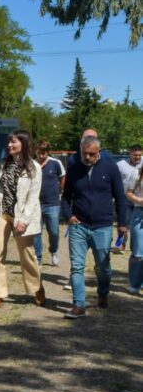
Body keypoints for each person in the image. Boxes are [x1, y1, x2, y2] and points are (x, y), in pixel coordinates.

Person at [62, 135, 128, 318]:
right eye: (85, 154)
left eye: (92, 154)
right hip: (79, 226)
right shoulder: (74, 170)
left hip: (103, 226)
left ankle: (103, 293)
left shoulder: (110, 168)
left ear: (99, 152)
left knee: (103, 267)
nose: (88, 158)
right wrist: (68, 215)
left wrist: (122, 223)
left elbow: (120, 198)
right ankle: (79, 305)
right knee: (76, 266)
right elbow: (66, 198)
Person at [0, 130, 44, 311]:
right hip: (2, 213)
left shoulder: (34, 168)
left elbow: (33, 197)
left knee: (27, 255)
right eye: (9, 142)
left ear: (24, 144)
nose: (10, 145)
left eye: (14, 142)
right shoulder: (4, 164)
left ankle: (37, 288)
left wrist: (24, 220)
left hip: (22, 216)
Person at [33, 140, 66, 266]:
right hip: (35, 203)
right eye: (40, 152)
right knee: (36, 231)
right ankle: (38, 256)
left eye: (45, 152)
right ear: (36, 151)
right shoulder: (32, 163)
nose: (42, 155)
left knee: (54, 231)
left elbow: (63, 177)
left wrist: (59, 190)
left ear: (48, 152)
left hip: (52, 203)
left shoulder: (55, 163)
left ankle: (53, 251)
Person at [116, 145, 143, 251]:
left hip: (139, 200)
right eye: (135, 155)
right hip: (125, 199)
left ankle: (135, 246)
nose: (137, 157)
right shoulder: (120, 165)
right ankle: (122, 244)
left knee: (135, 227)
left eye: (140, 155)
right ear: (130, 154)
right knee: (124, 224)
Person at [126, 166, 143, 294]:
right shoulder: (137, 173)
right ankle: (135, 283)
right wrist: (139, 200)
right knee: (138, 251)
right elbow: (129, 193)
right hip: (139, 212)